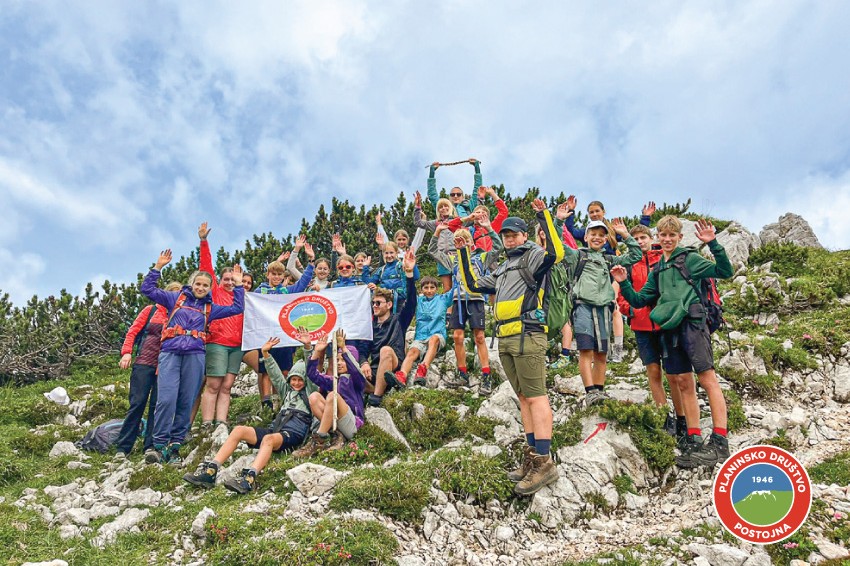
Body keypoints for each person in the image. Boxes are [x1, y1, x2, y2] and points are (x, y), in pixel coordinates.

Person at [456, 199, 563, 495]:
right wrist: (464, 251)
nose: (509, 238)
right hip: (505, 336)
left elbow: (558, 252)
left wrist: (543, 216)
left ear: (524, 236)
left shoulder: (532, 257)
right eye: (505, 235)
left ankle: (544, 462)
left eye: (514, 234)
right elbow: (474, 284)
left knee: (537, 396)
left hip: (529, 333)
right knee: (523, 397)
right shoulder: (503, 267)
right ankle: (532, 456)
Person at [613, 216, 734, 468]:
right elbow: (638, 300)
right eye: (663, 235)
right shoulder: (658, 269)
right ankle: (693, 439)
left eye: (672, 235)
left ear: (679, 237)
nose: (667, 239)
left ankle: (720, 442)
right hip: (670, 329)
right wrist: (623, 282)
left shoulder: (689, 259)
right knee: (682, 382)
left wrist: (713, 244)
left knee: (707, 379)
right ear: (658, 237)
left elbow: (725, 271)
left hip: (692, 324)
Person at [140, 249, 245, 465]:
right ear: (192, 284)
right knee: (166, 400)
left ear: (209, 289)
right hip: (170, 353)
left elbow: (237, 307)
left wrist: (239, 284)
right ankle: (158, 446)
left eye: (205, 285)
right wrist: (158, 267)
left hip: (195, 356)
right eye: (198, 284)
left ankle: (175, 447)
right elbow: (147, 289)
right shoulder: (174, 298)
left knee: (186, 401)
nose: (201, 288)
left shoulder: (210, 308)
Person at [182, 340, 316, 493]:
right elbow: (275, 373)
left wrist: (307, 348)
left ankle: (249, 478)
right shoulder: (286, 391)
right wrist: (265, 353)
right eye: (294, 379)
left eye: (300, 380)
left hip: (293, 433)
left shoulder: (311, 392)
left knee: (268, 439)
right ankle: (211, 470)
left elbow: (311, 372)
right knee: (239, 430)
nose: (297, 383)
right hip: (276, 429)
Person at [557, 211, 641, 407]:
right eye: (593, 234)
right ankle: (590, 392)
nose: (597, 238)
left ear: (606, 239)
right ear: (585, 237)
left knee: (602, 353)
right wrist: (559, 220)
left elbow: (636, 255)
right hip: (582, 307)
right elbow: (556, 244)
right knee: (586, 351)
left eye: (601, 235)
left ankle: (599, 391)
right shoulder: (577, 255)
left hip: (604, 310)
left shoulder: (610, 259)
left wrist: (625, 235)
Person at [616, 224, 686, 438]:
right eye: (635, 238)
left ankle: (682, 419)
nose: (640, 241)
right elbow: (620, 294)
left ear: (650, 238)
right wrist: (630, 310)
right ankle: (664, 416)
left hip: (666, 324)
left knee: (674, 375)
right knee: (653, 372)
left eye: (643, 237)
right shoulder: (628, 263)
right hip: (641, 326)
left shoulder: (662, 258)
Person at [564, 198, 654, 362]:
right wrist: (570, 212)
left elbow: (635, 237)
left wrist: (645, 218)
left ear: (603, 212)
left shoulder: (611, 231)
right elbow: (570, 231)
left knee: (614, 307)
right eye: (591, 212)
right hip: (595, 274)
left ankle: (617, 349)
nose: (594, 214)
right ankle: (593, 344)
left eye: (597, 211)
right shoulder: (587, 232)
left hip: (613, 271)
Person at [429, 216, 502, 395]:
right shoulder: (452, 260)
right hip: (458, 300)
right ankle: (462, 372)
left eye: (465, 240)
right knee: (457, 337)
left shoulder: (481, 257)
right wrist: (437, 232)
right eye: (457, 241)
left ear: (471, 242)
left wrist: (489, 228)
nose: (461, 243)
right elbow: (432, 251)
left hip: (476, 299)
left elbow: (499, 248)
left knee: (479, 337)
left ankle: (486, 375)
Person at [114, 281, 182, 460]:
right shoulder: (151, 310)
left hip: (167, 366)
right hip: (144, 362)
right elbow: (133, 331)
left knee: (157, 406)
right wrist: (126, 352)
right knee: (137, 403)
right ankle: (123, 447)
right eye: (172, 293)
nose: (175, 297)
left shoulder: (181, 314)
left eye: (179, 294)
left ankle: (150, 446)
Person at [247, 256, 316, 413]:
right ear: (268, 275)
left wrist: (311, 265)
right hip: (265, 336)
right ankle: (266, 404)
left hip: (284, 336)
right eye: (274, 274)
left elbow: (302, 284)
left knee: (285, 370)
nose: (277, 277)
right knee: (265, 369)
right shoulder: (259, 291)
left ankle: (280, 401)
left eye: (280, 274)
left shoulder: (287, 291)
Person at [197, 222, 244, 430]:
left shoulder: (241, 296)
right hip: (217, 343)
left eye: (233, 280)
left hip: (237, 346)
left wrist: (240, 284)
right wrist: (204, 241)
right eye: (226, 279)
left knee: (227, 386)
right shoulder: (215, 292)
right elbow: (206, 268)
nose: (229, 283)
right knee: (213, 384)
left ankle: (222, 421)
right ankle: (207, 422)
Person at [293, 329, 367, 457]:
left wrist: (343, 349)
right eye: (337, 360)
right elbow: (312, 375)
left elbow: (356, 370)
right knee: (314, 397)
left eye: (343, 360)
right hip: (339, 423)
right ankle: (337, 436)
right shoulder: (335, 381)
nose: (339, 363)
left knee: (333, 396)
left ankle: (319, 439)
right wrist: (316, 351)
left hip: (354, 424)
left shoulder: (357, 380)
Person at [360, 248, 418, 406]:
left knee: (385, 350)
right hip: (373, 368)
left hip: (392, 363)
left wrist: (409, 274)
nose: (375, 306)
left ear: (389, 304)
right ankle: (368, 391)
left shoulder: (399, 320)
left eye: (378, 303)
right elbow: (363, 348)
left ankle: (376, 397)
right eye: (373, 303)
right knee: (347, 361)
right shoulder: (370, 325)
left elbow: (412, 302)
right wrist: (364, 362)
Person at [395, 276, 453, 387]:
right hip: (420, 336)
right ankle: (402, 376)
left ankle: (423, 369)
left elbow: (455, 288)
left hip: (437, 334)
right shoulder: (418, 300)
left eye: (432, 287)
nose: (429, 290)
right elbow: (407, 291)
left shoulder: (443, 299)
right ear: (421, 289)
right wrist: (406, 274)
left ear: (437, 288)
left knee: (433, 339)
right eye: (426, 287)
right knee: (412, 352)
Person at [414, 189, 458, 292]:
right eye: (440, 207)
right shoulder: (436, 223)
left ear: (450, 207)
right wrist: (417, 207)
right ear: (438, 211)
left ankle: (459, 307)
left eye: (446, 205)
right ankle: (448, 308)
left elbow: (471, 221)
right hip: (442, 256)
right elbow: (418, 223)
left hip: (456, 255)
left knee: (459, 286)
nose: (443, 208)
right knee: (447, 288)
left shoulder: (457, 221)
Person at [445, 184, 509, 252]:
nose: (480, 215)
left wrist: (493, 194)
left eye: (483, 213)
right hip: (475, 260)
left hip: (491, 260)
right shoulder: (469, 231)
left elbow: (504, 211)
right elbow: (449, 226)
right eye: (477, 213)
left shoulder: (493, 227)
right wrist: (468, 218)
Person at [361, 241, 420, 313]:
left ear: (396, 252)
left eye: (391, 253)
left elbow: (416, 277)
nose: (389, 256)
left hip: (400, 302)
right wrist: (365, 267)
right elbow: (368, 283)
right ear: (383, 254)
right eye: (386, 253)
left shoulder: (401, 266)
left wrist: (412, 265)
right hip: (384, 303)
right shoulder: (381, 270)